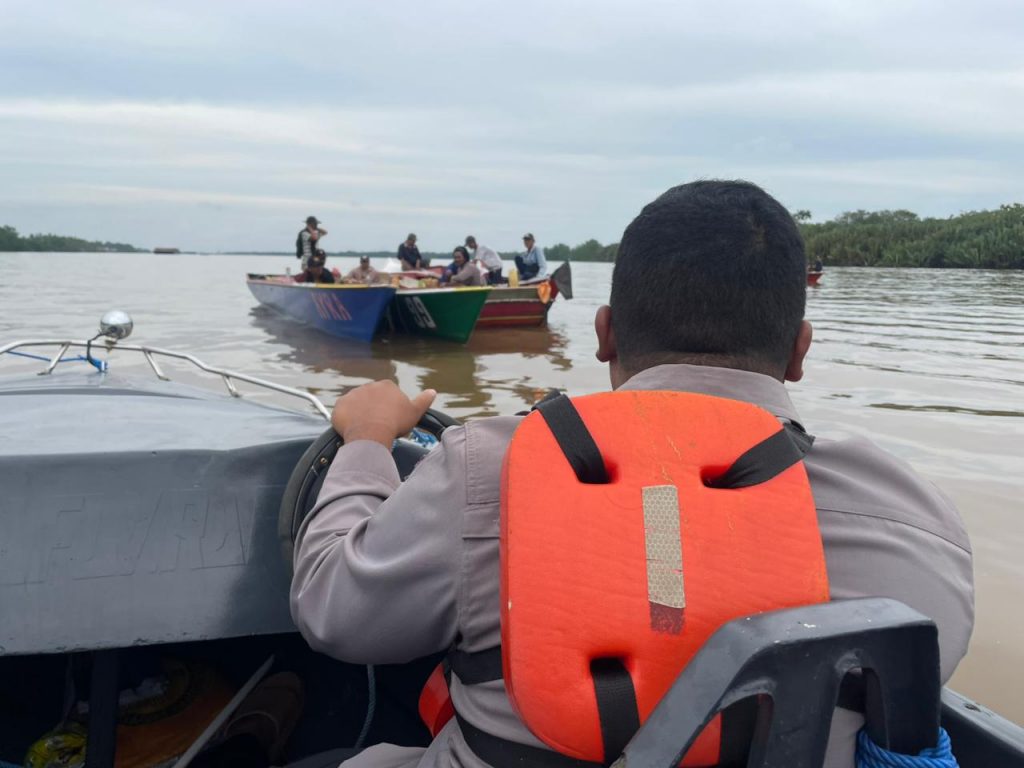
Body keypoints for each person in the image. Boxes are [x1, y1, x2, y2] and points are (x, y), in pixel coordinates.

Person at [290, 180, 973, 768]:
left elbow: (338, 616)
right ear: (799, 352)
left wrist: (369, 443)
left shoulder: (484, 467)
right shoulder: (916, 520)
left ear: (605, 334)